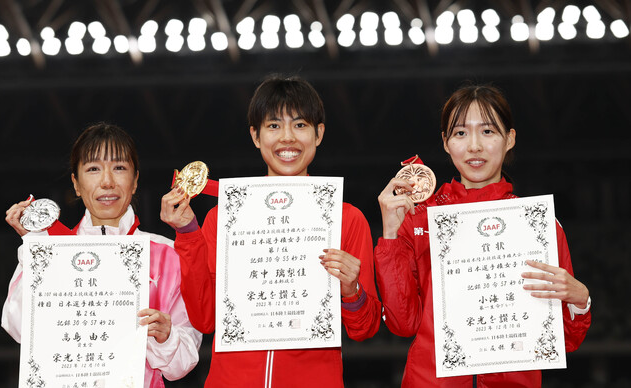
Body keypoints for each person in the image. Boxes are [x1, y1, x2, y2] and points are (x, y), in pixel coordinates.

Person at [160, 75, 381, 387]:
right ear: (255, 135)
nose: (287, 138)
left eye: (300, 125)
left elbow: (365, 328)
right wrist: (187, 233)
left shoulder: (346, 219)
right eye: (274, 125)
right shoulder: (222, 218)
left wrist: (351, 291)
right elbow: (205, 318)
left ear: (319, 134)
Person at [375, 84, 591, 387]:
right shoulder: (418, 217)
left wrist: (580, 301)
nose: (474, 145)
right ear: (446, 143)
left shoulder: (538, 225)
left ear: (510, 139)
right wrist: (391, 235)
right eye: (461, 133)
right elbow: (402, 322)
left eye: (488, 132)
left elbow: (566, 341)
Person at [2, 123, 202, 388]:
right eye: (93, 169)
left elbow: (181, 366)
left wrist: (166, 337)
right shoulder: (53, 250)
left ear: (135, 181)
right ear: (76, 183)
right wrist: (36, 248)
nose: (107, 181)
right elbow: (18, 328)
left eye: (119, 168)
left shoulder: (167, 255)